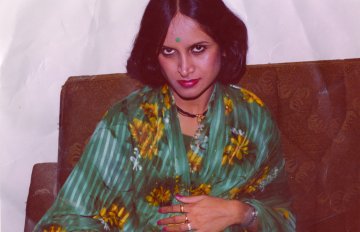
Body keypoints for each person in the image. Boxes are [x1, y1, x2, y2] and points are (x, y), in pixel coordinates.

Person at [35, 0, 295, 231]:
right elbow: (68, 218)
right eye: (169, 52)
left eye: (198, 49)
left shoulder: (251, 118)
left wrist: (238, 212)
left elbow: (283, 217)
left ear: (224, 46)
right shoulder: (127, 121)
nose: (184, 68)